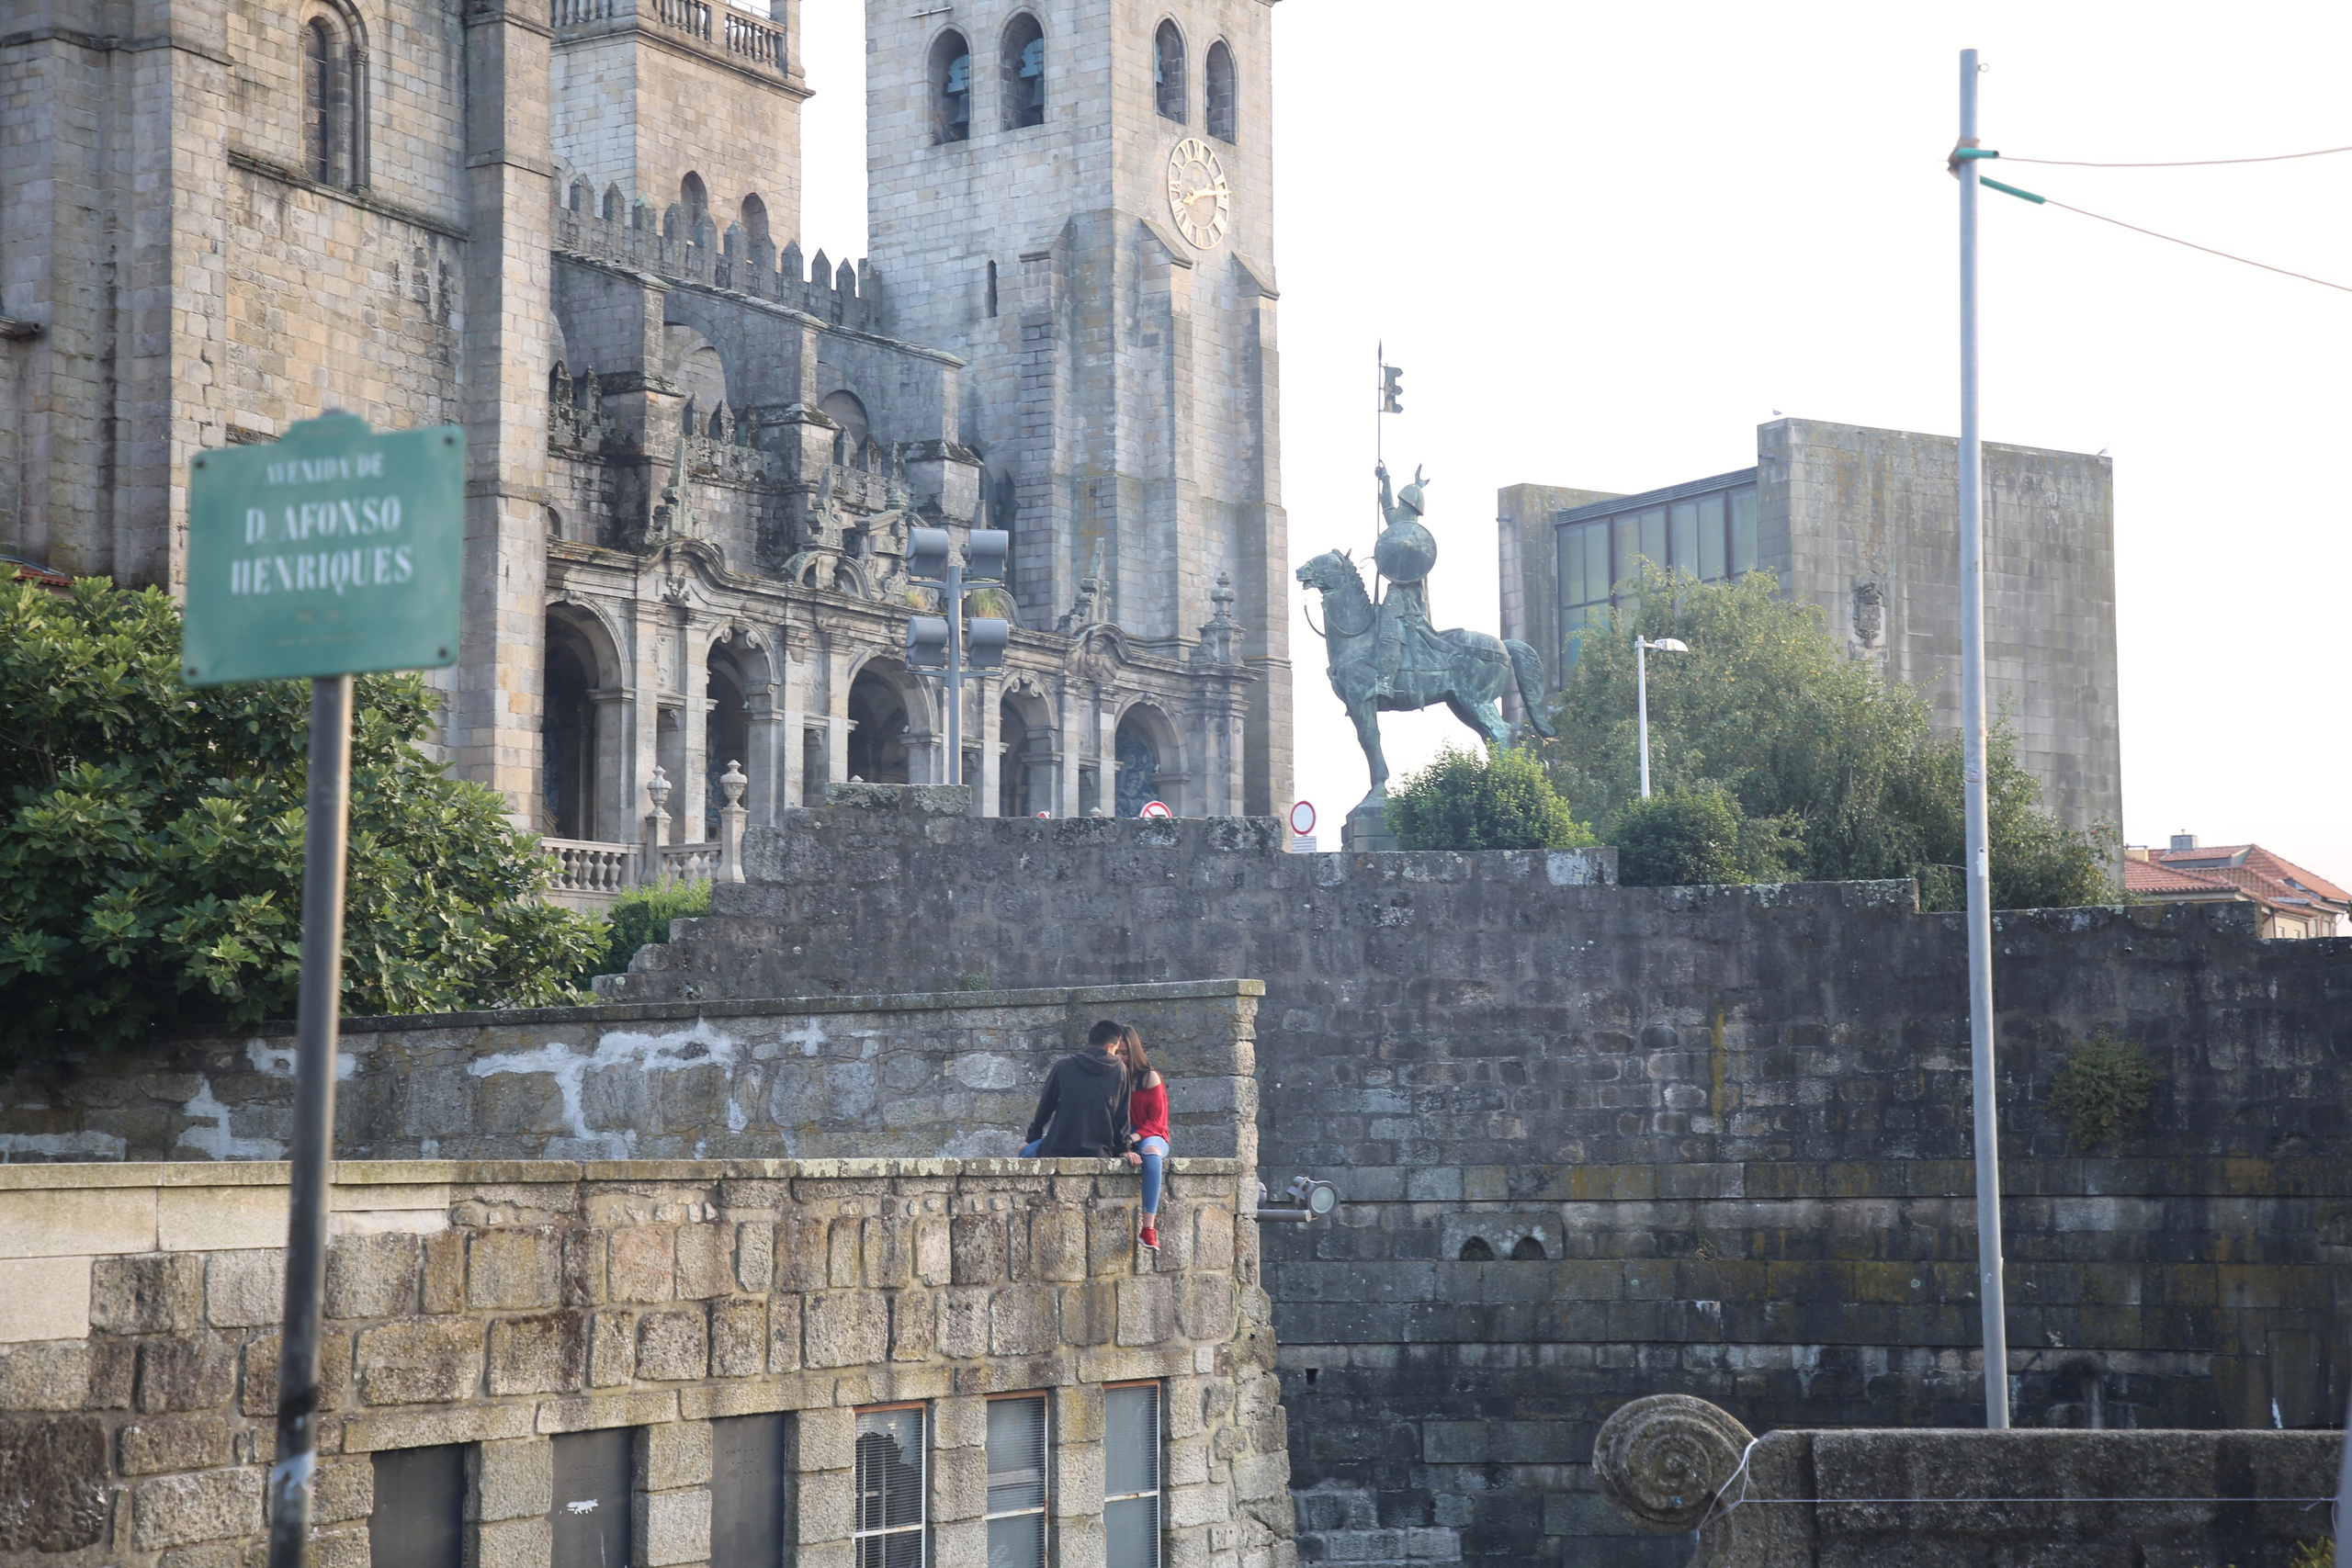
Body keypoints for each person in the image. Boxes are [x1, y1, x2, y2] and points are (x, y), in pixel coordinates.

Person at [1018, 1019, 1135, 1161]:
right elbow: (1121, 1115)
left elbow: (1045, 1107)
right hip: (1099, 1151)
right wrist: (1124, 1149)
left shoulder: (1063, 1066)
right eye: (1116, 1050)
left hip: (1058, 1148)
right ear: (1109, 1047)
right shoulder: (1120, 1070)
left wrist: (1031, 1138)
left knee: (1024, 1153)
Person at [1119, 1024, 1170, 1251]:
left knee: (1151, 1153)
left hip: (1151, 1134)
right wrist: (1123, 1145)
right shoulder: (1112, 1078)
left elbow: (1157, 1122)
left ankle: (1148, 1228)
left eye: (1125, 1053)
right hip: (1124, 1135)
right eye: (1116, 1053)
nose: (1120, 1058)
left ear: (1134, 1051)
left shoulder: (1150, 1077)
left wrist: (1134, 1138)